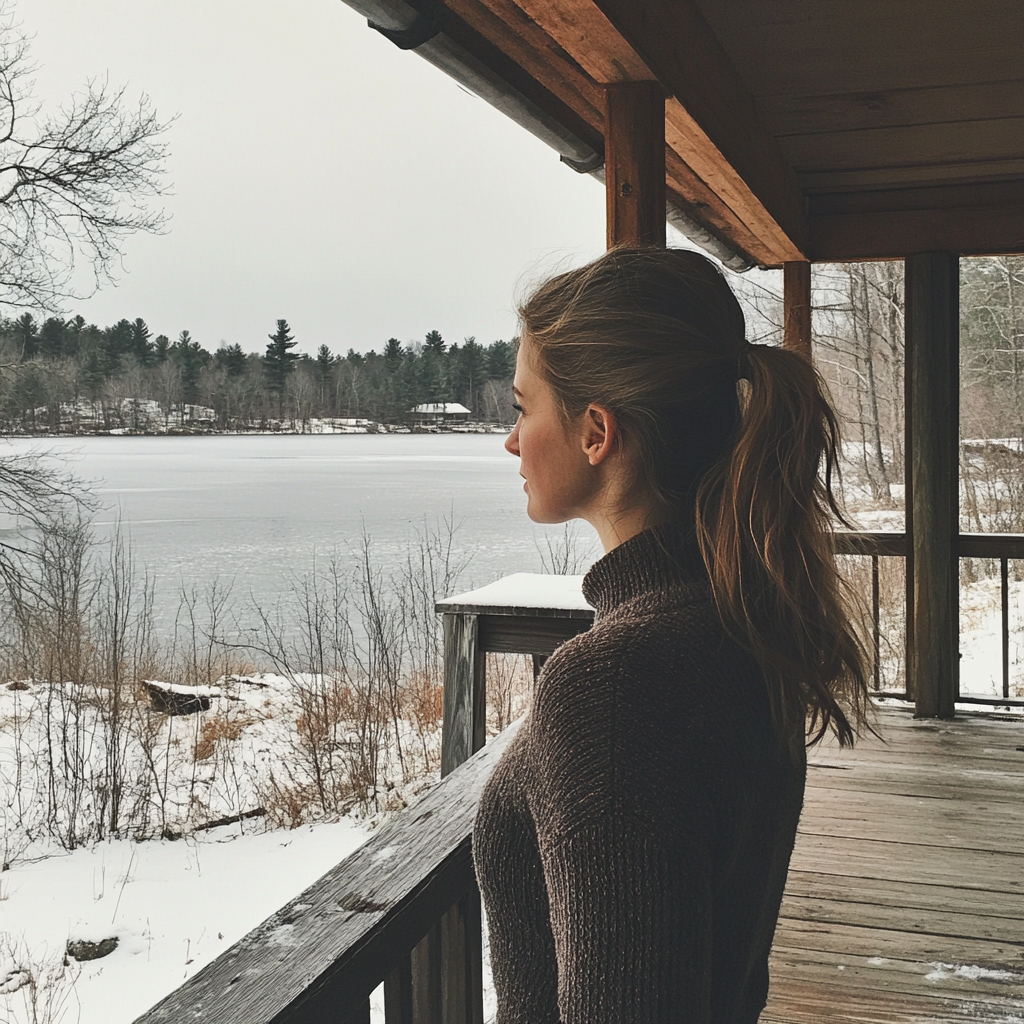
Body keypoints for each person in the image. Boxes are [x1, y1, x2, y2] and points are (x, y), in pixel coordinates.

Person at [473, 246, 870, 1023]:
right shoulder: (732, 617)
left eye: (523, 408)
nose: (512, 442)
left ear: (596, 432)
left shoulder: (617, 681)